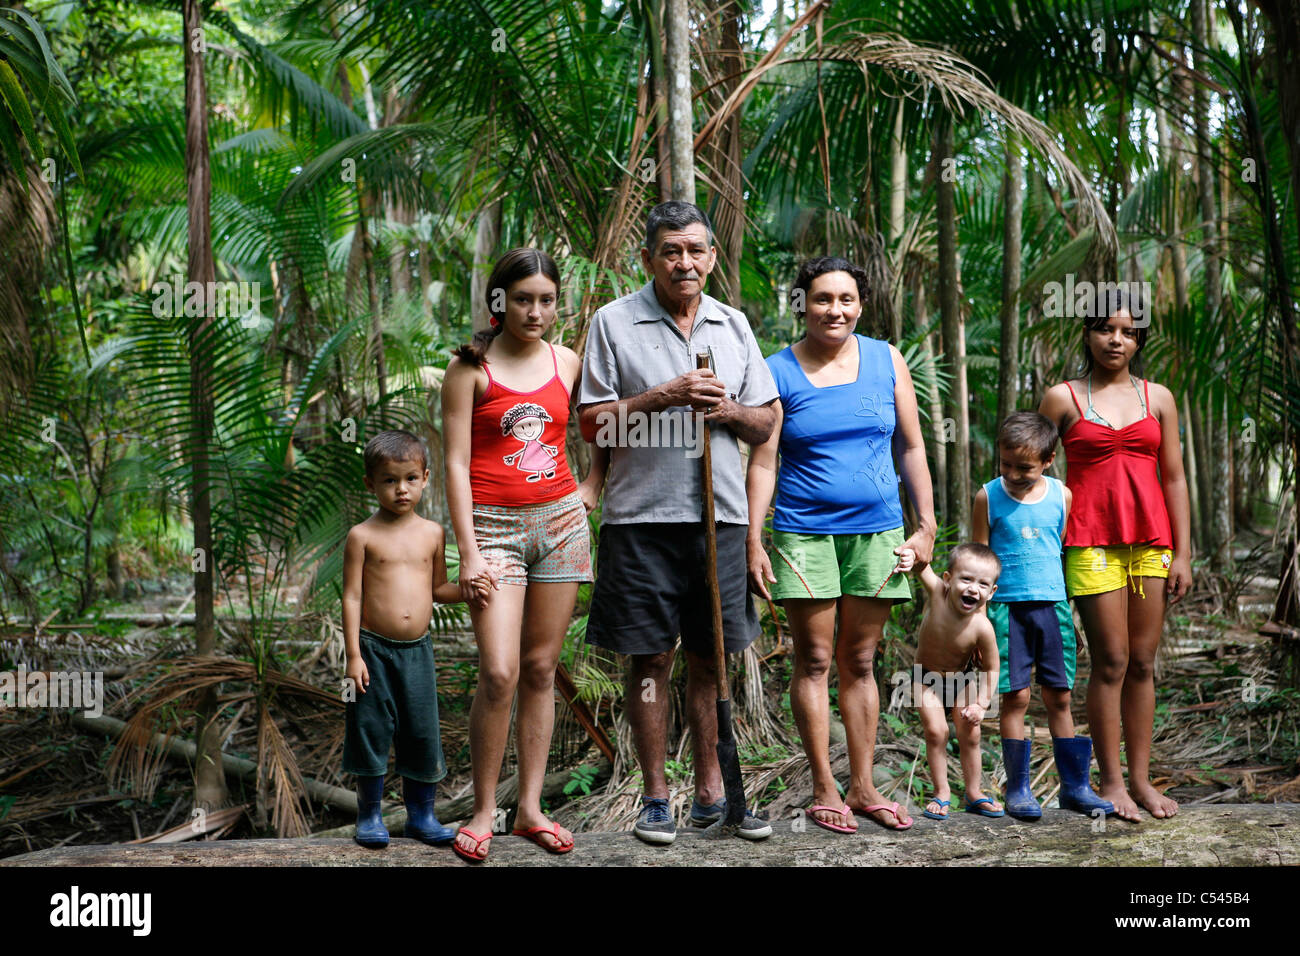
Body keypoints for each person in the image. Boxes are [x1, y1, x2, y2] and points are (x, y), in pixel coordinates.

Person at [578, 201, 777, 845]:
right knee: (649, 658)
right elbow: (593, 423)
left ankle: (714, 793)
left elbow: (767, 422)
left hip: (718, 519)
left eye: (695, 250)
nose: (684, 262)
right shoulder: (613, 322)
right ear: (648, 259)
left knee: (711, 659)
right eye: (671, 251)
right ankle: (656, 797)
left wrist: (727, 410)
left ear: (712, 258)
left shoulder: (734, 324)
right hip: (639, 521)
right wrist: (664, 395)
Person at [746, 256, 936, 833]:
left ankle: (863, 785)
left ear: (862, 304)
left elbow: (912, 447)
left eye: (846, 299)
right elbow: (763, 459)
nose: (836, 310)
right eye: (823, 298)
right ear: (802, 303)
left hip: (877, 530)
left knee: (859, 660)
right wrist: (755, 538)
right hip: (803, 530)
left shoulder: (887, 359)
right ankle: (823, 787)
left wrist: (924, 525)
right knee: (816, 659)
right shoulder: (776, 369)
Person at [442, 248, 605, 862]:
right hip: (492, 530)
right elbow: (455, 465)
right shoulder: (471, 369)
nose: (535, 311)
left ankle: (530, 807)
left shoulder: (567, 362)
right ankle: (484, 808)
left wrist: (592, 486)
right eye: (522, 299)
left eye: (545, 300)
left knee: (541, 669)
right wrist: (469, 551)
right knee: (500, 671)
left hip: (562, 524)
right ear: (498, 301)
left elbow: (597, 426)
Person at [1039, 287, 1192, 821]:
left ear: (1139, 339)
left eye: (1128, 332)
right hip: (1090, 541)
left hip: (1151, 542)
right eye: (1106, 328)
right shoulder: (1062, 398)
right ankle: (1111, 782)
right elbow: (1030, 468)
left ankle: (1143, 781)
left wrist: (1184, 554)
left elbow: (1173, 478)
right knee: (1110, 661)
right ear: (1087, 332)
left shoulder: (1160, 398)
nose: (1116, 339)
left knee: (1144, 663)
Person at [972, 411, 1114, 819]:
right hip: (1006, 609)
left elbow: (1064, 551)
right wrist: (978, 622)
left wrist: (1073, 612)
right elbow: (980, 559)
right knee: (1015, 696)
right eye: (1006, 465)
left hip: (1052, 607)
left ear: (1049, 460)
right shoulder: (988, 496)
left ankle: (1075, 786)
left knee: (1060, 695)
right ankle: (1018, 789)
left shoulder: (1061, 495)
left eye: (1025, 467)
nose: (1014, 474)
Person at [342, 429, 476, 849]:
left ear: (426, 477)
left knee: (421, 730)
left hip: (417, 651)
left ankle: (422, 815)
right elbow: (352, 595)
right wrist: (353, 656)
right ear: (370, 483)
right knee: (370, 728)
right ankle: (369, 816)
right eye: (388, 480)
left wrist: (471, 588)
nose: (401, 489)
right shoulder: (362, 536)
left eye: (410, 478)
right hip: (372, 651)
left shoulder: (433, 533)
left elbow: (438, 589)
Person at [906, 543, 1002, 820]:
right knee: (937, 732)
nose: (973, 589)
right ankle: (941, 792)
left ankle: (973, 792)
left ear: (991, 592)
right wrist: (913, 553)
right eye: (966, 579)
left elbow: (992, 668)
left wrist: (982, 705)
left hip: (963, 678)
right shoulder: (938, 593)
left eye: (983, 584)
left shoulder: (982, 627)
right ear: (948, 579)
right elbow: (922, 566)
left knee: (971, 734)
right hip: (925, 678)